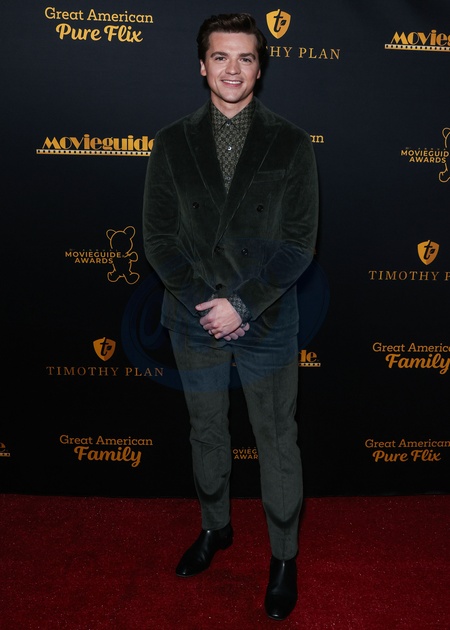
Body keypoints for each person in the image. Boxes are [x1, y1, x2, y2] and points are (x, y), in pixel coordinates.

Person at [143, 13, 319, 621]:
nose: (233, 69)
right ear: (202, 65)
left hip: (267, 318)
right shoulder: (171, 142)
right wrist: (209, 304)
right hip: (194, 316)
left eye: (246, 57)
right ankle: (215, 527)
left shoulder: (291, 143)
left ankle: (284, 557)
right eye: (221, 57)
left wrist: (241, 304)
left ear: (260, 68)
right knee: (206, 432)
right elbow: (159, 238)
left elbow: (299, 243)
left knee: (277, 440)